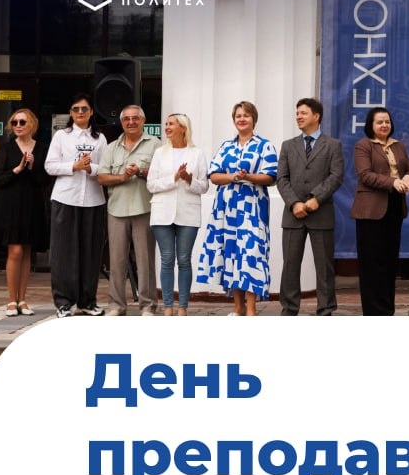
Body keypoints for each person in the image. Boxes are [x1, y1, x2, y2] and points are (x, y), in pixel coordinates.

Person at [196, 101, 277, 316]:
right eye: (238, 116)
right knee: (230, 254)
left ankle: (251, 309)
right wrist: (233, 177)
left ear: (254, 119)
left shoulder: (265, 145)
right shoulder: (226, 146)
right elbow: (214, 176)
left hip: (253, 207)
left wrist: (248, 176)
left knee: (251, 254)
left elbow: (271, 176)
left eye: (246, 115)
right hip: (226, 208)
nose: (242, 119)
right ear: (234, 120)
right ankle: (238, 307)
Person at [276, 97, 344, 316]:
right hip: (293, 215)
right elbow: (281, 178)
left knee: (324, 266)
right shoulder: (288, 146)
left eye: (303, 113)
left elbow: (336, 176)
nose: (298, 116)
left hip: (321, 213)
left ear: (316, 116)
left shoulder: (332, 145)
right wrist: (294, 202)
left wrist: (317, 198)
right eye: (297, 113)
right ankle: (289, 309)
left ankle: (325, 309)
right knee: (290, 265)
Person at [45, 93, 107, 317]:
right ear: (70, 113)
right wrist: (75, 166)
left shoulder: (100, 139)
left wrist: (90, 168)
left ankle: (87, 301)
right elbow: (50, 166)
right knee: (63, 253)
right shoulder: (62, 136)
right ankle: (64, 302)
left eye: (84, 109)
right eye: (76, 109)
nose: (80, 112)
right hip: (66, 199)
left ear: (91, 112)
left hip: (93, 200)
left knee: (90, 253)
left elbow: (105, 168)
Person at [350, 107, 409, 314]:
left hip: (395, 207)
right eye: (379, 122)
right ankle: (374, 312)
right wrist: (393, 182)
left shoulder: (399, 145)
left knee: (389, 261)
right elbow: (365, 175)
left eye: (387, 121)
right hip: (370, 210)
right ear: (371, 125)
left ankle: (387, 310)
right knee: (372, 263)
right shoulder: (363, 146)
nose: (384, 125)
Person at [97, 105, 158, 316]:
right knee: (116, 262)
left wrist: (140, 172)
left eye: (135, 118)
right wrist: (123, 176)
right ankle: (116, 306)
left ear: (143, 121)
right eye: (127, 119)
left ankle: (148, 306)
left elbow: (162, 174)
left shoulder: (155, 145)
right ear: (121, 122)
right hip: (117, 209)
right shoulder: (112, 147)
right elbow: (101, 177)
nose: (131, 122)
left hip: (144, 208)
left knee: (145, 261)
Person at [147, 113, 209, 316]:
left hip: (188, 213)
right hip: (162, 212)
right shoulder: (160, 153)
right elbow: (151, 185)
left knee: (184, 260)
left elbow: (204, 186)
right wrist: (174, 178)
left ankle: (182, 307)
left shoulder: (197, 153)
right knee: (166, 259)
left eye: (171, 124)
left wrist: (189, 179)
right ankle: (167, 307)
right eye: (166, 124)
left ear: (183, 128)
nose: (167, 127)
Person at [0, 109, 49, 317]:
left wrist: (32, 167)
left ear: (31, 124)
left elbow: (44, 180)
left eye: (22, 122)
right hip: (10, 204)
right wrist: (17, 169)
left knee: (26, 251)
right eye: (14, 122)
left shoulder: (41, 148)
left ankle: (22, 300)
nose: (17, 125)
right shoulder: (6, 148)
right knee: (15, 251)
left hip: (32, 203)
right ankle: (11, 300)